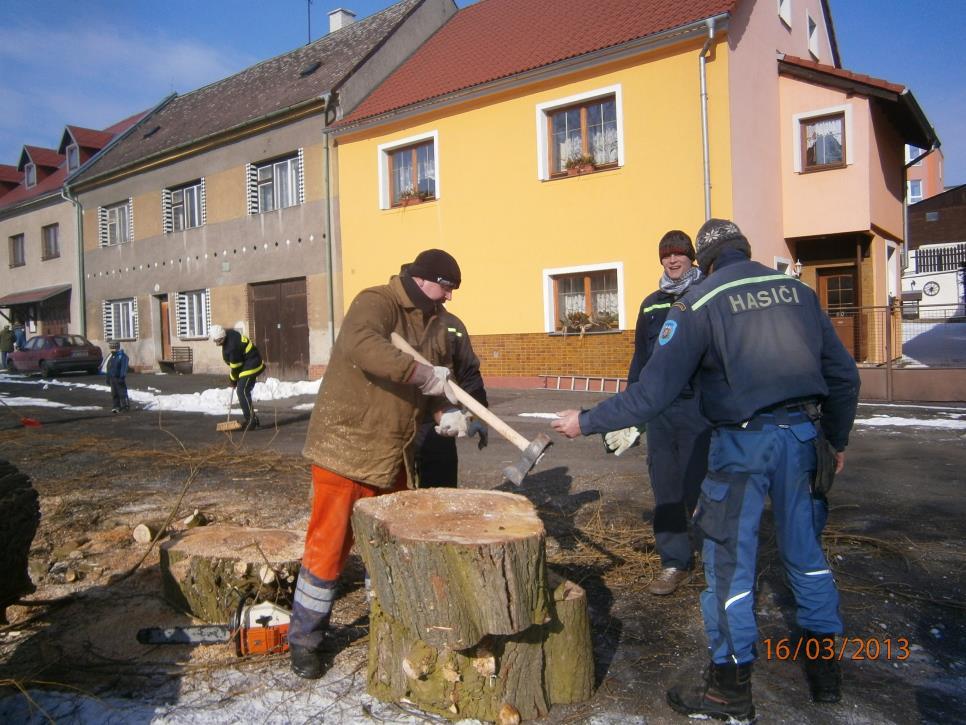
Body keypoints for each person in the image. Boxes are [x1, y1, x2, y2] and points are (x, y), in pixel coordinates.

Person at [552, 219, 860, 722]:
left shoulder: (697, 303)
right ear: (745, 250)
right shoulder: (796, 292)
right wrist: (836, 439)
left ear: (705, 259)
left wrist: (586, 421)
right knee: (806, 555)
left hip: (742, 446)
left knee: (729, 566)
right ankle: (826, 675)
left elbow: (653, 391)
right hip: (803, 438)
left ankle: (728, 691)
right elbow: (843, 376)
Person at [289, 248, 472, 679]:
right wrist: (421, 375)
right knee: (329, 548)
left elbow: (434, 381)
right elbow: (362, 346)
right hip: (347, 448)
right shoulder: (377, 301)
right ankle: (305, 639)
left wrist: (443, 412)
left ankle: (387, 625)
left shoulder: (435, 323)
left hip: (394, 454)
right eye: (446, 287)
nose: (449, 298)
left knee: (390, 550)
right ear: (426, 279)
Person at [606, 230, 711, 595]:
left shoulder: (706, 296)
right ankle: (674, 562)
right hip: (660, 412)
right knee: (665, 488)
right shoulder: (651, 304)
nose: (672, 260)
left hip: (700, 409)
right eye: (666, 255)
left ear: (691, 257)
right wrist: (628, 412)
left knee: (703, 487)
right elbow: (640, 361)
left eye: (679, 254)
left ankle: (715, 560)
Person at [414, 307, 488, 488]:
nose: (449, 296)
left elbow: (469, 373)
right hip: (399, 421)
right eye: (444, 286)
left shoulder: (452, 324)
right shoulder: (396, 319)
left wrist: (478, 414)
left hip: (441, 422)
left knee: (441, 491)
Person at [210, 324, 264, 430]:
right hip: (247, 363)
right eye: (215, 341)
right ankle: (252, 419)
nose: (217, 344)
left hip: (252, 363)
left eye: (218, 341)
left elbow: (235, 368)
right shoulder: (230, 333)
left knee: (242, 391)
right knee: (243, 390)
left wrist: (233, 380)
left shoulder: (231, 347)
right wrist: (234, 379)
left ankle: (251, 421)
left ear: (222, 338)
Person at [105, 341, 130, 413]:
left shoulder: (121, 356)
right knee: (114, 393)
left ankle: (125, 406)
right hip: (112, 378)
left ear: (118, 347)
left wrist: (122, 376)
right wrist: (108, 377)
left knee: (122, 393)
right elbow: (109, 367)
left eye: (114, 347)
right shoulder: (112, 356)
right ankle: (116, 406)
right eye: (111, 348)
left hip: (119, 377)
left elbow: (124, 367)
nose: (112, 349)